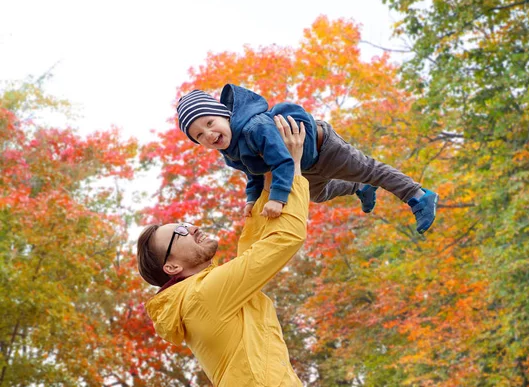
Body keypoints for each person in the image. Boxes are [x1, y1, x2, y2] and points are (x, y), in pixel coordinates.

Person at [138, 115, 308, 386]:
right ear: (172, 268)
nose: (192, 227)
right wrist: (293, 168)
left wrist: (270, 178)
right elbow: (285, 239)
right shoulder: (201, 296)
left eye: (184, 223)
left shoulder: (201, 296)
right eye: (180, 232)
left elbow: (252, 251)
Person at [177, 84, 439, 234]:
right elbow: (255, 173)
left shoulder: (254, 127)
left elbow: (281, 162)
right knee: (318, 194)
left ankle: (417, 194)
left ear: (224, 115)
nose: (209, 134)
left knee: (369, 170)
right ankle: (359, 188)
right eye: (199, 135)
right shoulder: (230, 152)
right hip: (303, 165)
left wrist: (278, 200)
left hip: (323, 148)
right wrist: (252, 199)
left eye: (210, 123)